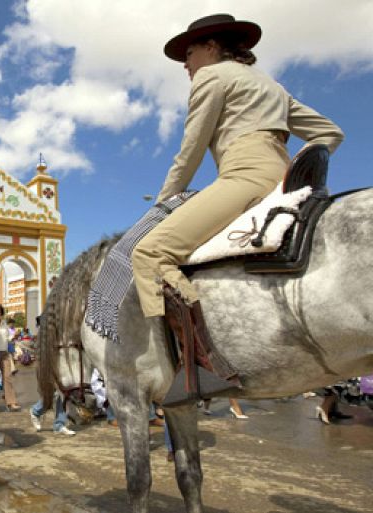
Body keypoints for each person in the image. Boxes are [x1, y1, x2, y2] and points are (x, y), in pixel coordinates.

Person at [131, 15, 343, 348]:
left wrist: (161, 205)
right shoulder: (273, 87)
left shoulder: (211, 76)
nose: (186, 64)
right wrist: (300, 169)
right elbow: (330, 133)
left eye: (189, 54)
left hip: (245, 176)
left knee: (149, 253)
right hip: (285, 180)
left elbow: (191, 152)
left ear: (211, 47)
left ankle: (196, 356)